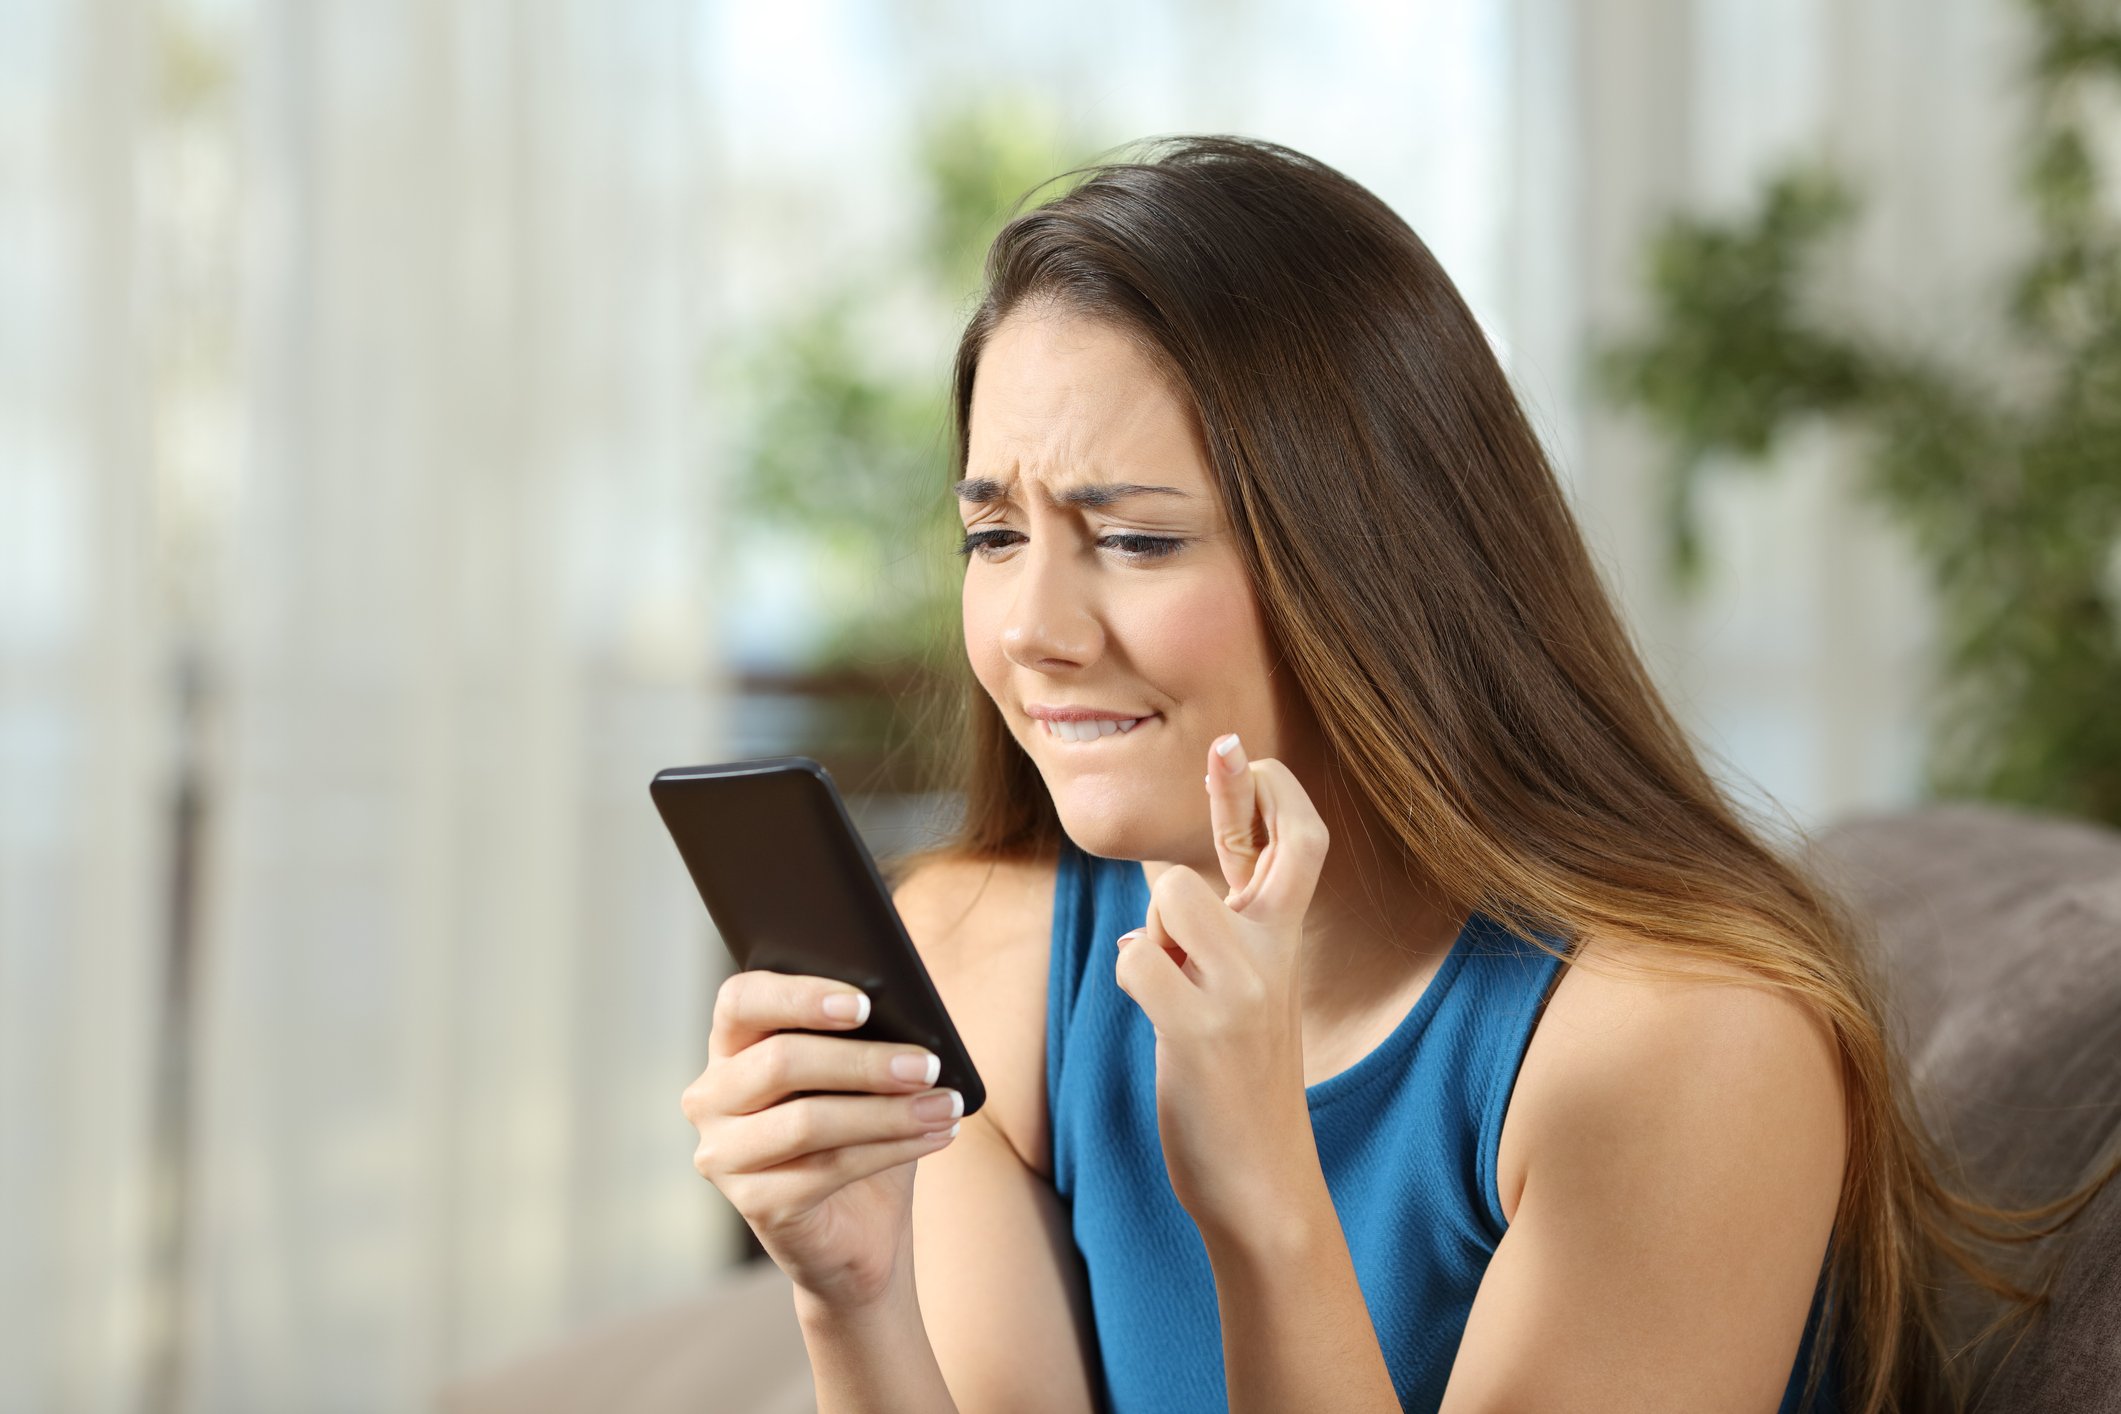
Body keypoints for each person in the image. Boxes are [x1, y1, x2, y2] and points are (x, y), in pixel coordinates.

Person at [681, 135, 2118, 1413]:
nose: (1031, 631)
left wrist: (1263, 1197)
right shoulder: (979, 952)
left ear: (1368, 564)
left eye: (1135, 538)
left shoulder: (1682, 1045)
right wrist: (851, 1296)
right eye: (995, 535)